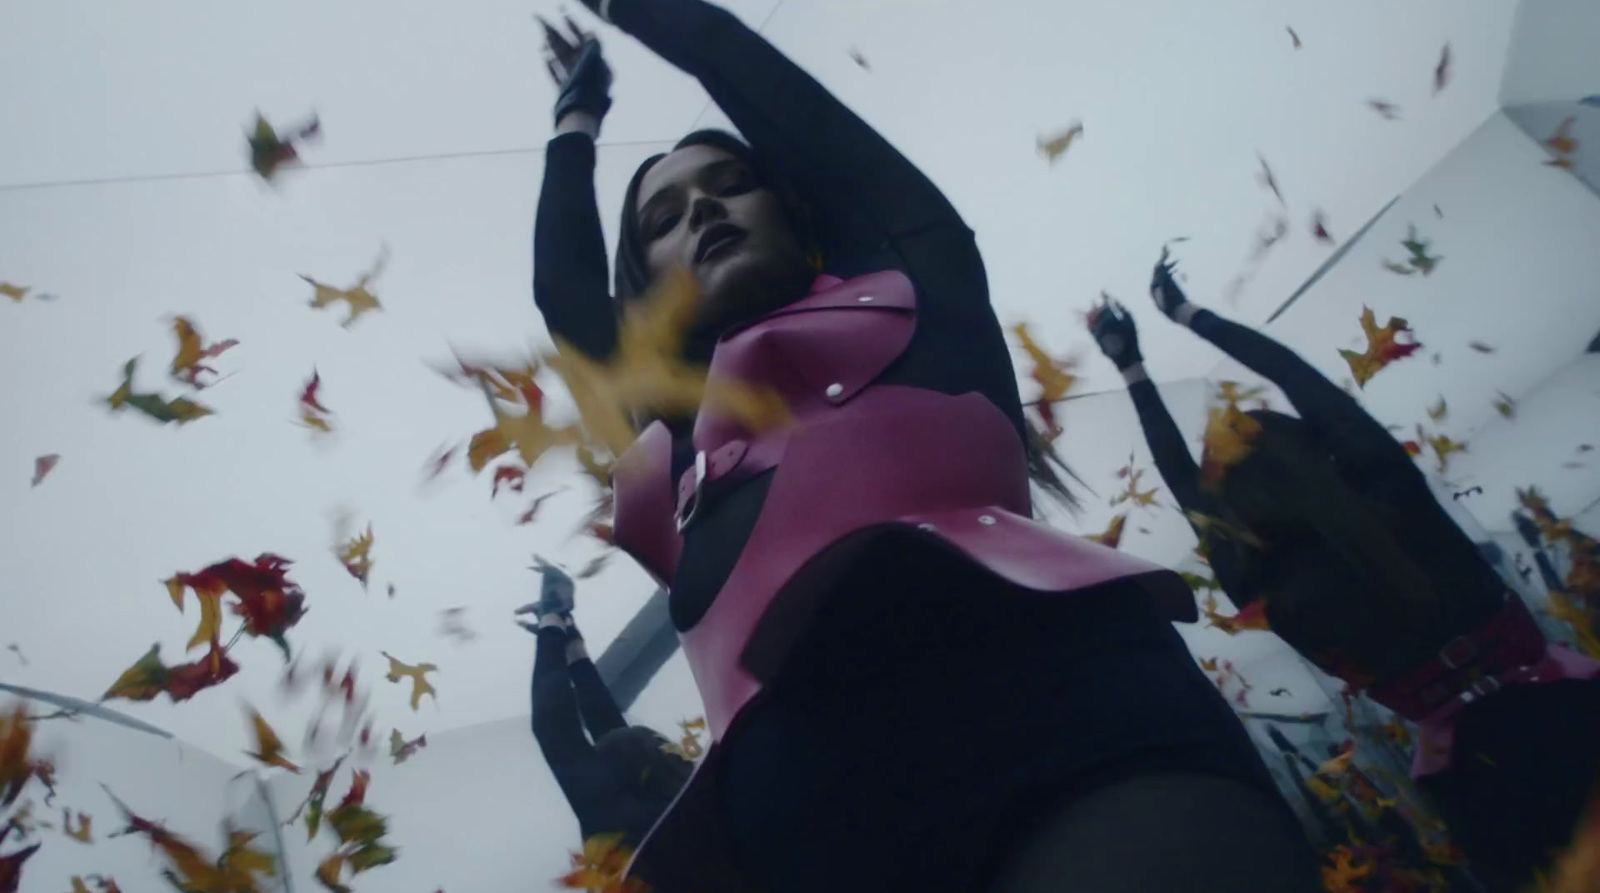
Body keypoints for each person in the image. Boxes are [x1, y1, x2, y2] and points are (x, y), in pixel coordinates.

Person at [532, 5, 1317, 892]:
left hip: (1077, 731)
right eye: (663, 219)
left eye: (732, 180)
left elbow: (802, 116)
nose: (705, 206)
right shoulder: (661, 438)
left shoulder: (920, 292)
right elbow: (562, 287)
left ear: (795, 209)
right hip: (815, 834)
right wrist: (575, 117)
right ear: (642, 291)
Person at [1086, 251, 1600, 890]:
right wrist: (1188, 314)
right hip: (1578, 714)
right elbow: (1297, 377)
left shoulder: (1262, 589)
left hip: (1478, 785)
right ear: (1312, 452)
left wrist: (1127, 365)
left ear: (1227, 514)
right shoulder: (1390, 499)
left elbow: (1179, 478)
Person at [516, 560, 694, 849]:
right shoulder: (689, 797)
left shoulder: (627, 822)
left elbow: (554, 725)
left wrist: (553, 624)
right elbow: (603, 728)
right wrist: (564, 634)